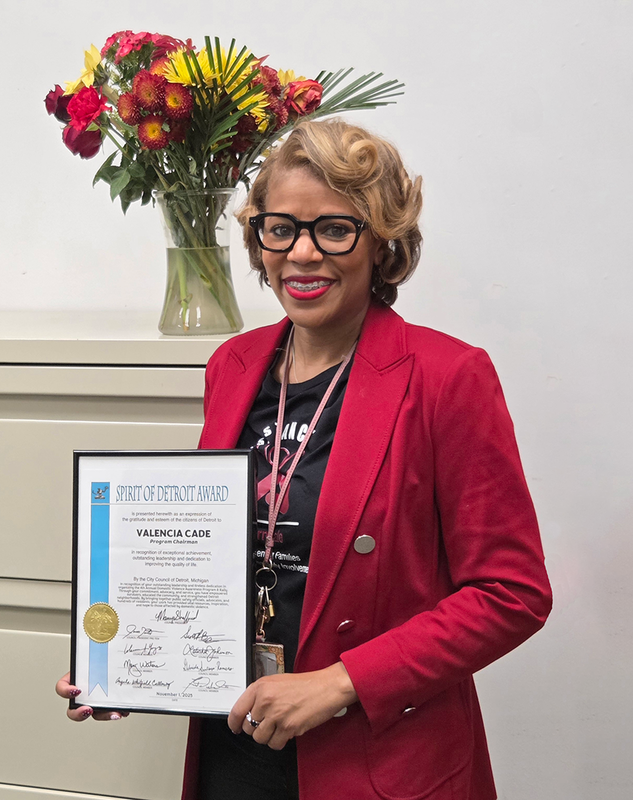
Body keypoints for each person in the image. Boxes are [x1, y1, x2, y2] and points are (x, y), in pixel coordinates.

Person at [57, 118, 552, 800]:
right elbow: (214, 558)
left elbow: (513, 594)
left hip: (378, 763)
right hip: (238, 746)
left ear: (382, 242)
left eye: (335, 229)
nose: (303, 254)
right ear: (259, 239)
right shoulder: (232, 364)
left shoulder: (448, 377)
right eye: (280, 228)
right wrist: (132, 662)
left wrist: (339, 684)